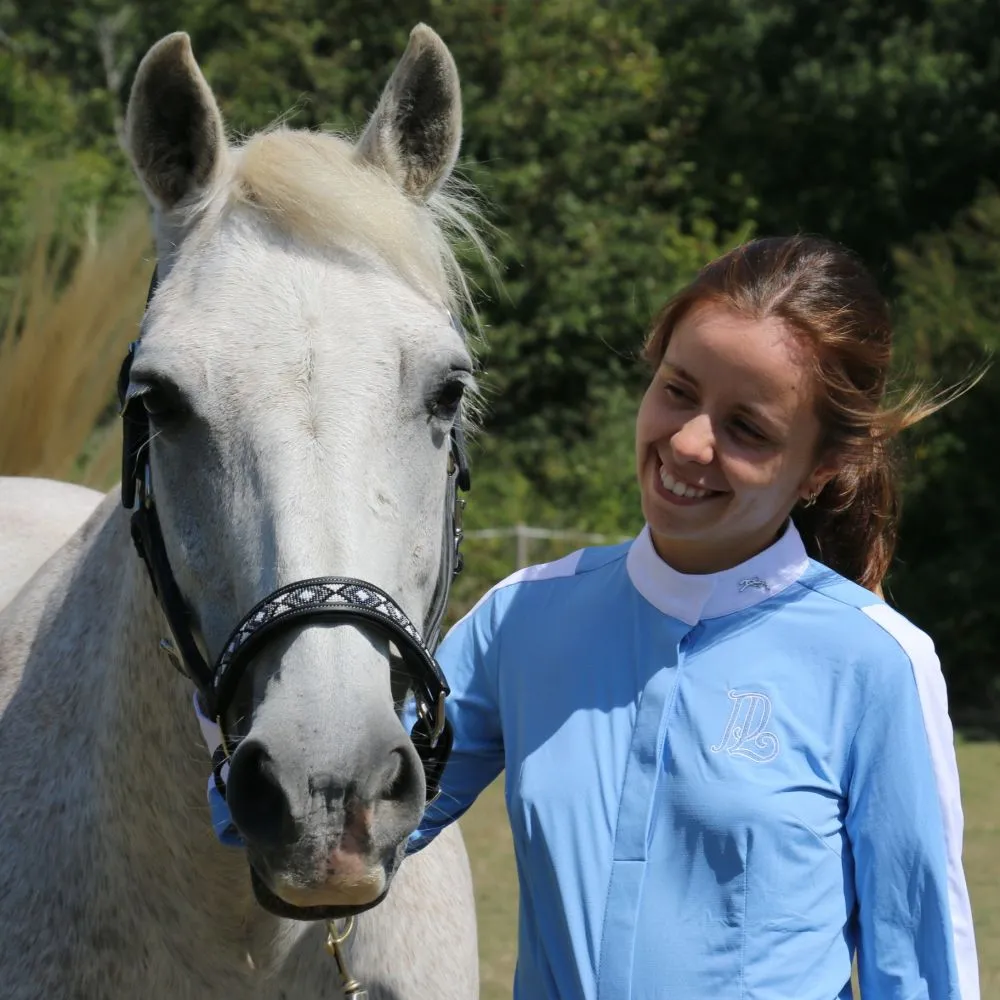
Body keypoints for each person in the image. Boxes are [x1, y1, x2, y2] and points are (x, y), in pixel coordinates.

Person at [405, 236, 980, 999]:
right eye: (677, 389)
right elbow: (335, 822)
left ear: (820, 470)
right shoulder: (524, 617)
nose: (686, 442)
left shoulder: (876, 664)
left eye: (747, 429)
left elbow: (920, 974)